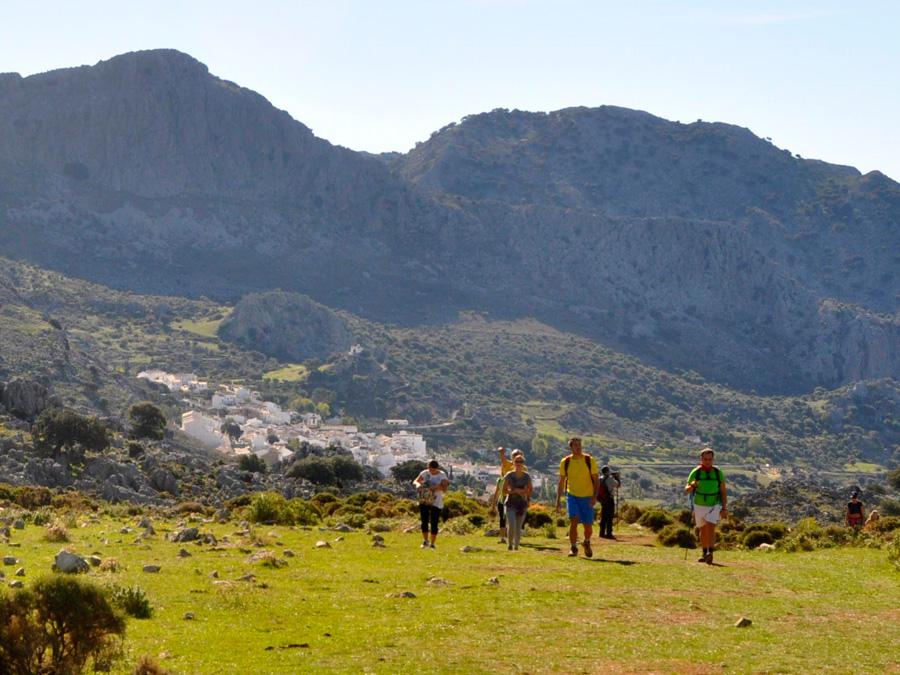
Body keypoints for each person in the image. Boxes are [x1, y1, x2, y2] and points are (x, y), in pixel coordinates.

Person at [556, 437, 599, 557]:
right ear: (571, 447)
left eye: (579, 445)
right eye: (575, 445)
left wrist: (594, 497)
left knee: (588, 526)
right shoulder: (566, 462)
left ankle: (586, 542)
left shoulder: (589, 460)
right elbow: (561, 481)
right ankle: (573, 547)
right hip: (572, 495)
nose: (578, 447)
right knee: (574, 520)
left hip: (587, 496)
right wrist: (558, 500)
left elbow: (596, 480)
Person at [685, 448, 727, 564]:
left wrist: (724, 508)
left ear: (713, 459)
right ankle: (704, 553)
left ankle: (710, 552)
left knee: (711, 527)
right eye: (705, 459)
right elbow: (686, 490)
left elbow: (723, 491)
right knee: (703, 529)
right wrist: (693, 485)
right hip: (699, 504)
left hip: (714, 503)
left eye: (710, 459)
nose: (708, 461)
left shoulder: (718, 473)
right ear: (701, 459)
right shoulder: (696, 472)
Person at [413, 459, 449, 548]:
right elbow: (416, 481)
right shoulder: (425, 473)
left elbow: (445, 487)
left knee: (434, 522)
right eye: (430, 469)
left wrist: (434, 488)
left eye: (433, 470)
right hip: (424, 499)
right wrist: (419, 485)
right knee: (424, 521)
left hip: (436, 501)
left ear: (437, 469)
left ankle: (433, 543)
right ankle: (425, 541)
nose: (431, 471)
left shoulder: (442, 475)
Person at [503, 454, 533, 551]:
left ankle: (516, 546)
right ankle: (510, 544)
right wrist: (514, 491)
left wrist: (523, 492)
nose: (519, 464)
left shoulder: (527, 476)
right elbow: (504, 490)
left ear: (523, 464)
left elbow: (530, 490)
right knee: (511, 524)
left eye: (521, 462)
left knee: (518, 526)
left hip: (522, 503)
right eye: (517, 461)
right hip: (510, 503)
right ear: (513, 462)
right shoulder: (509, 475)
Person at [597, 465, 621, 539]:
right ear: (607, 471)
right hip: (609, 499)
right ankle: (609, 533)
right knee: (609, 516)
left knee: (603, 516)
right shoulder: (610, 479)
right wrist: (617, 477)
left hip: (602, 499)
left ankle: (601, 533)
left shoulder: (600, 478)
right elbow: (618, 485)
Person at [489, 474, 508, 544]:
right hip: (502, 502)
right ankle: (503, 538)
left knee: (506, 520)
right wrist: (493, 505)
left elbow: (496, 492)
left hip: (509, 502)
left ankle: (507, 537)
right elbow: (496, 492)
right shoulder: (500, 480)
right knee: (503, 520)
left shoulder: (511, 479)